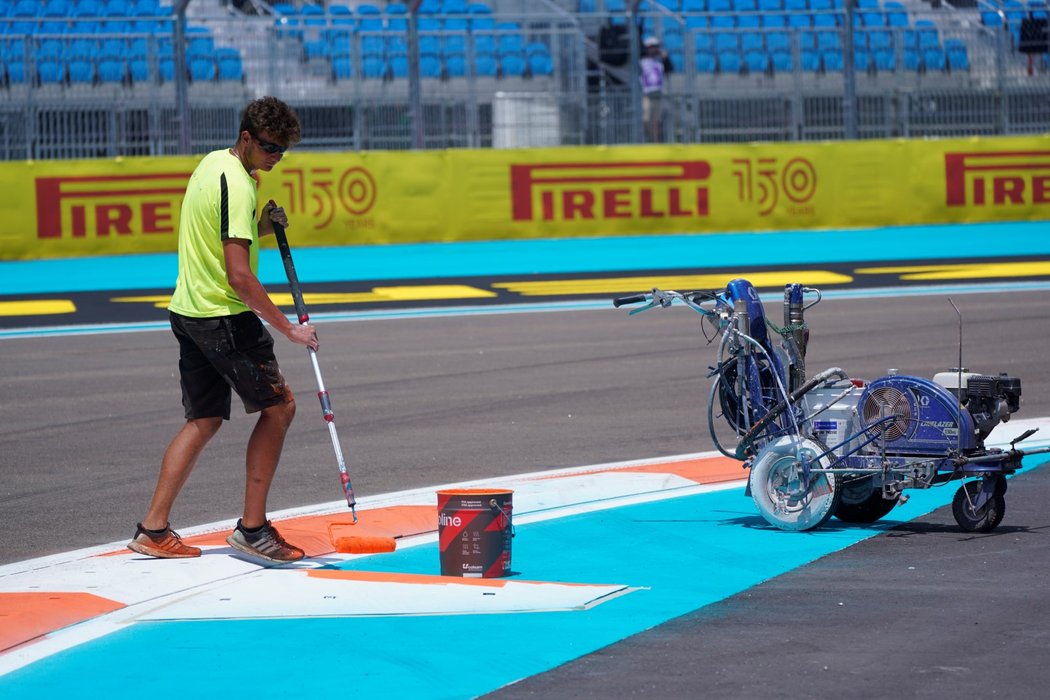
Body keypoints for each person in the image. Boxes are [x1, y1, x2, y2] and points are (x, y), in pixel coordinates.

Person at [127, 96, 318, 564]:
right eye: (270, 147)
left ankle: (153, 529)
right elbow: (239, 275)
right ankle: (253, 531)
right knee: (279, 408)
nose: (275, 157)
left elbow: (220, 231)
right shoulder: (240, 183)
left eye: (283, 151)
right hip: (223, 315)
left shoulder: (214, 164)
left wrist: (264, 227)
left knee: (205, 419)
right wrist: (289, 330)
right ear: (247, 138)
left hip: (188, 310)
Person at [640, 36, 673, 143]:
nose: (653, 49)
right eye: (651, 47)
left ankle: (655, 141)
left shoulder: (660, 62)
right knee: (646, 118)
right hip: (646, 94)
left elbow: (670, 69)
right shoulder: (641, 61)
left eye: (655, 47)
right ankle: (646, 139)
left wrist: (665, 58)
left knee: (657, 120)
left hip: (658, 94)